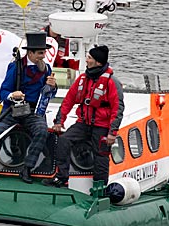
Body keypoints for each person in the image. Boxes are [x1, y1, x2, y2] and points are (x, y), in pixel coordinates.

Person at [43, 45, 123, 188]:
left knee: (101, 155)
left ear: (98, 62)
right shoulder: (82, 79)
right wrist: (59, 121)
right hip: (83, 124)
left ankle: (100, 187)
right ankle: (61, 177)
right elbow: (68, 100)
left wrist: (112, 132)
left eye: (89, 58)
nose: (86, 60)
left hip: (102, 126)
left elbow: (117, 109)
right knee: (64, 141)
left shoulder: (111, 82)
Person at [0, 32, 57, 183]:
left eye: (44, 52)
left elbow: (50, 94)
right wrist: (13, 94)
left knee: (42, 131)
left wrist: (53, 86)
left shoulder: (46, 69)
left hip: (32, 112)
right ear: (31, 53)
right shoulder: (15, 67)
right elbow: (3, 92)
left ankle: (27, 168)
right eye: (40, 53)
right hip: (13, 110)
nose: (43, 56)